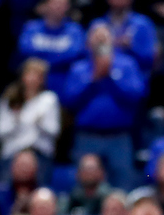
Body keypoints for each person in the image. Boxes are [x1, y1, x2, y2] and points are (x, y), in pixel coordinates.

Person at [62, 23, 147, 189]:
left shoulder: (127, 64)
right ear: (88, 42)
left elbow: (136, 96)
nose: (100, 40)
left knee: (122, 184)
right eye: (96, 36)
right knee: (83, 183)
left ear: (113, 40)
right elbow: (69, 101)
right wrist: (93, 79)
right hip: (87, 136)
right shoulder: (79, 68)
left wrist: (111, 77)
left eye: (104, 36)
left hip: (119, 136)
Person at [0, 58, 60, 183]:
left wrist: (40, 123)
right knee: (6, 194)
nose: (33, 79)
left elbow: (54, 131)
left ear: (42, 79)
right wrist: (16, 120)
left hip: (41, 154)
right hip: (12, 153)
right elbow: (0, 132)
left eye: (38, 75)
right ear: (23, 76)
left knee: (40, 194)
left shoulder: (49, 99)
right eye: (30, 74)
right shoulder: (10, 99)